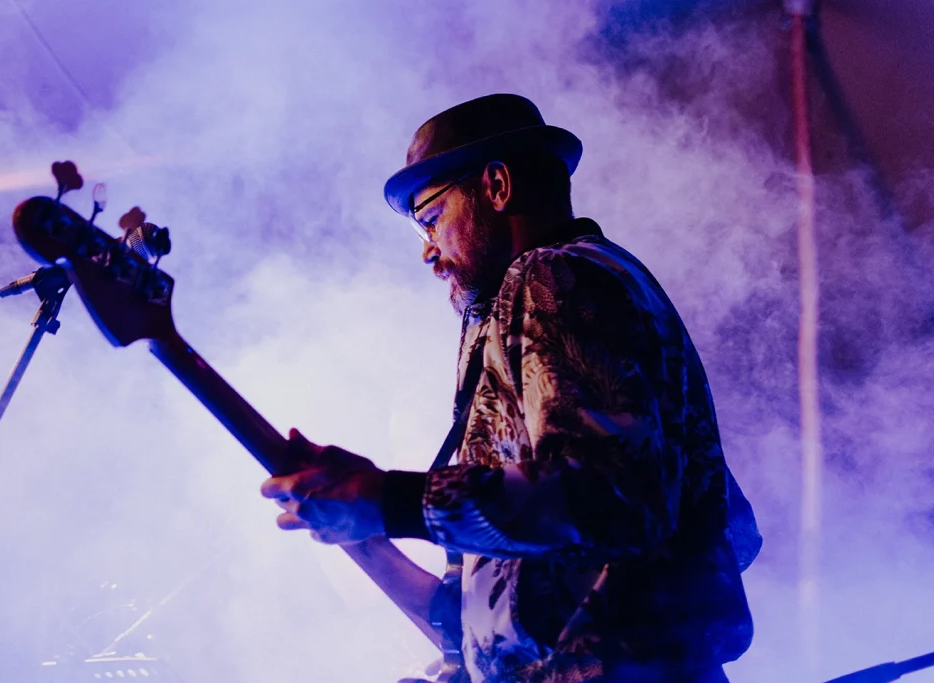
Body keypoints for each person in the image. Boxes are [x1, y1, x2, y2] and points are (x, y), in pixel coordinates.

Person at [260, 94, 759, 683]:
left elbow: (615, 496)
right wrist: (363, 528)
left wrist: (387, 500)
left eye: (430, 218)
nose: (428, 251)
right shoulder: (605, 284)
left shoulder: (552, 274)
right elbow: (730, 528)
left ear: (496, 186)